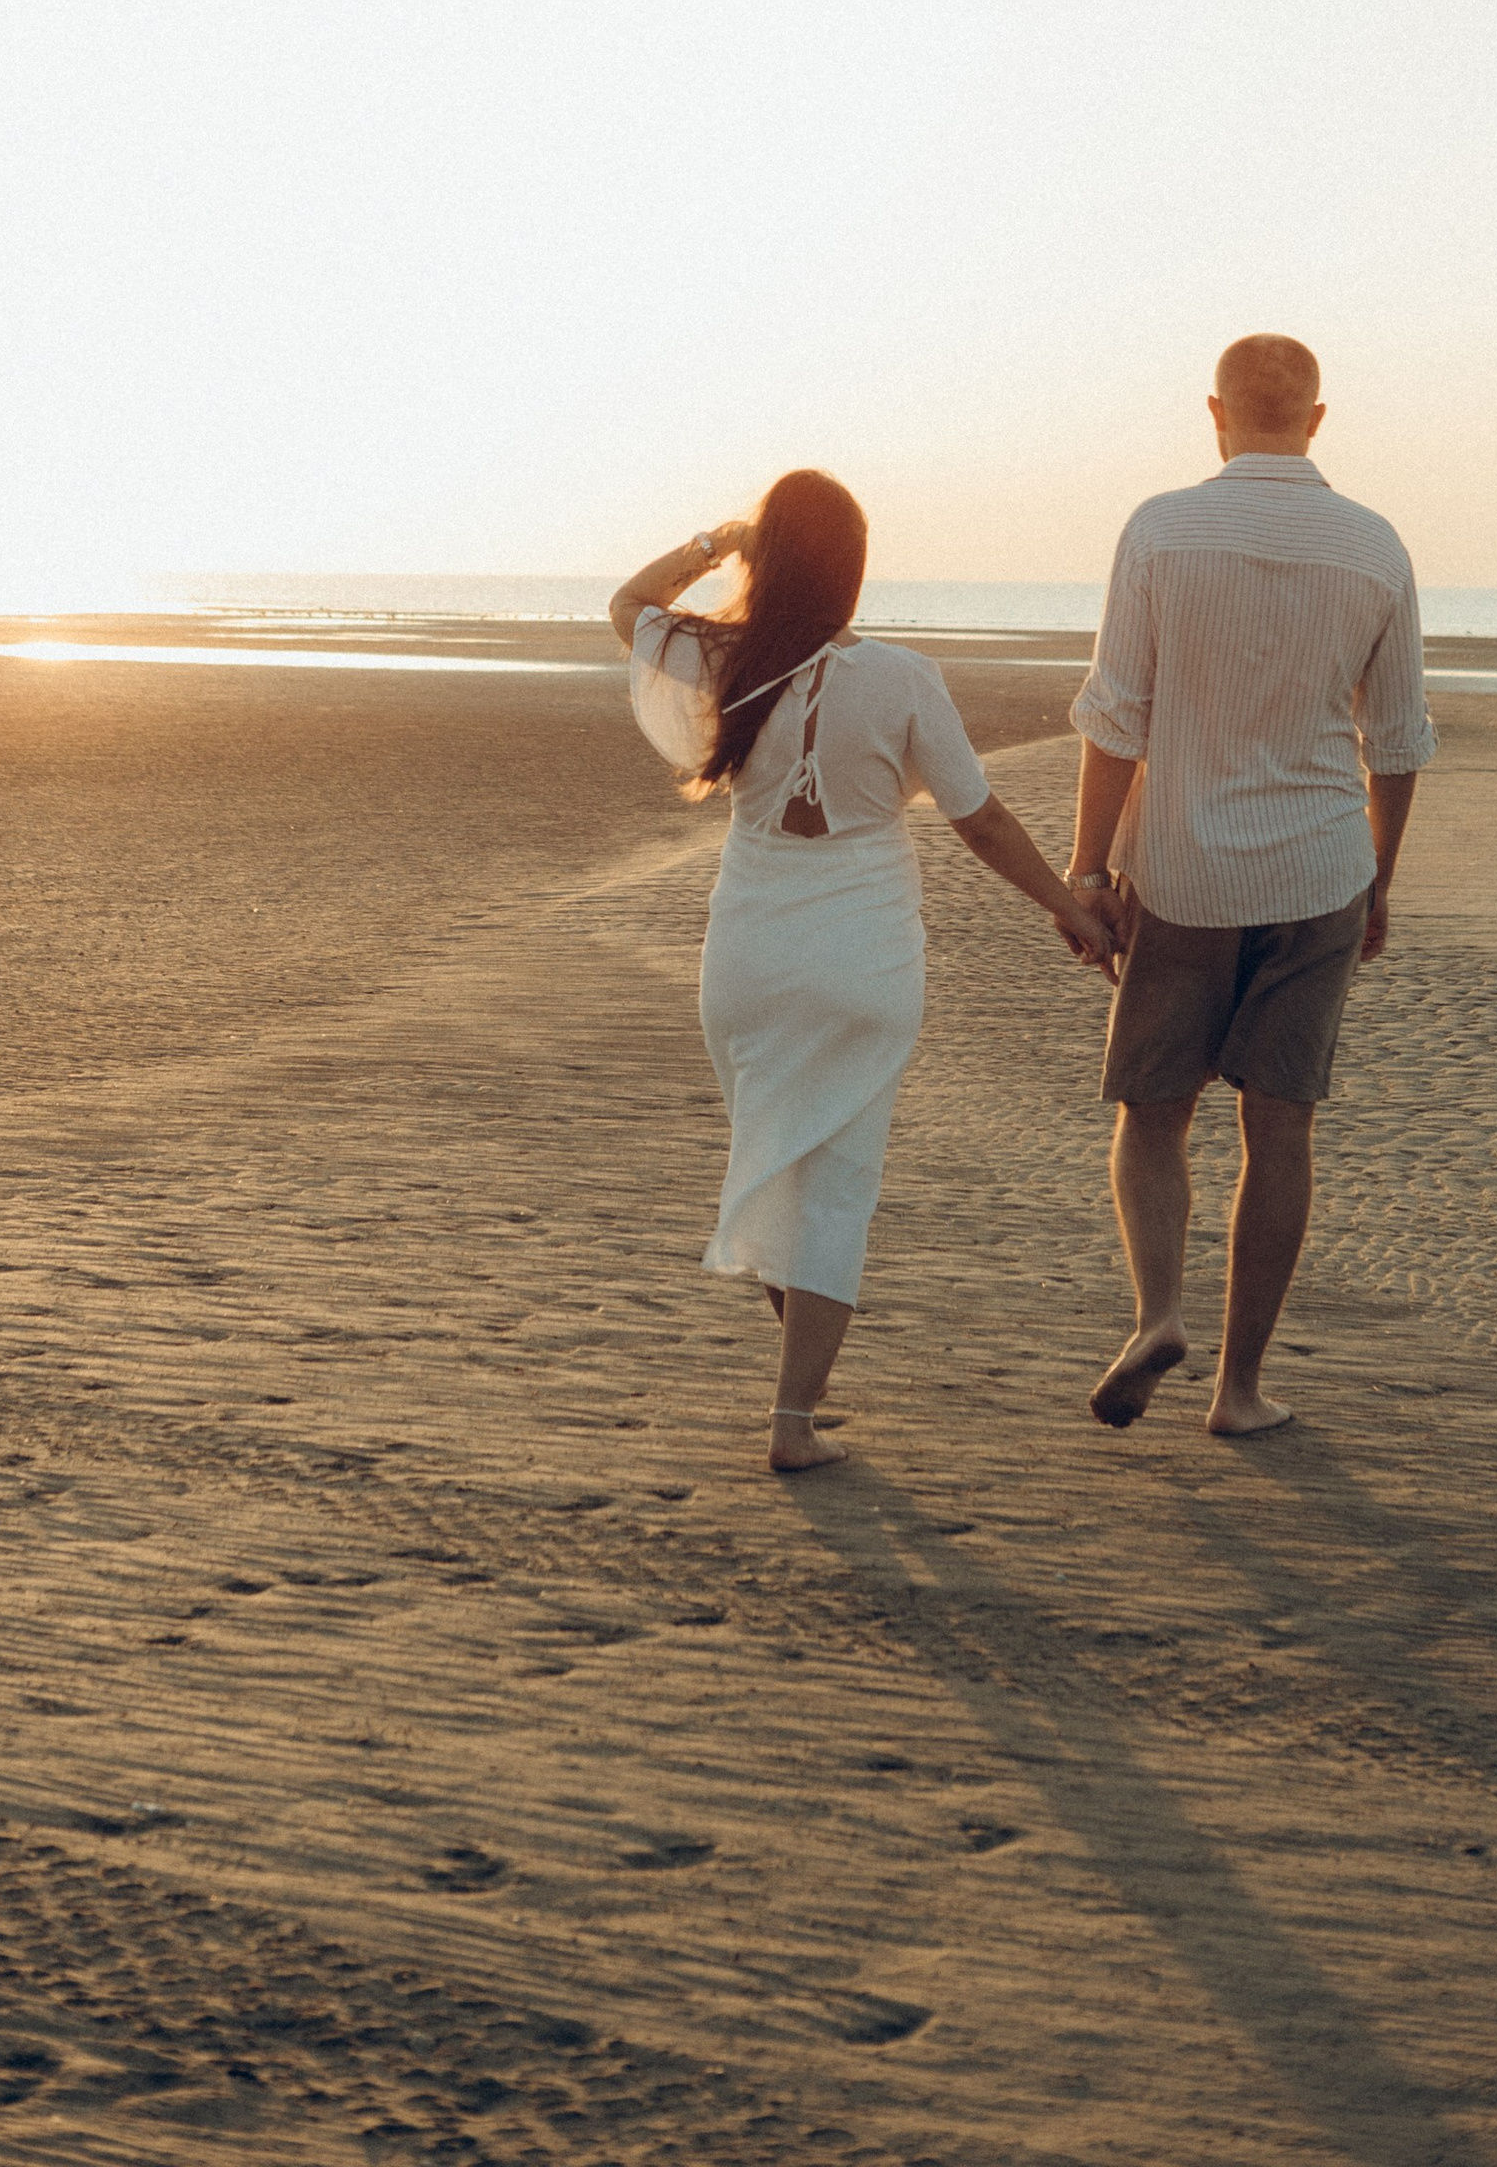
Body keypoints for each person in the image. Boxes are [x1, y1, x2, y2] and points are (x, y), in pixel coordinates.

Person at [613, 469, 1123, 1476]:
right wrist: (1070, 910)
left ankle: (801, 1384)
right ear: (851, 570)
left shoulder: (720, 655)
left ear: (769, 558)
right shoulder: (900, 677)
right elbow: (978, 820)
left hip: (749, 955)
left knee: (775, 1158)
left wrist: (719, 543)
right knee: (835, 1185)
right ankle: (793, 1420)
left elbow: (628, 606)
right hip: (862, 955)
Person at [1063, 336, 1435, 1439]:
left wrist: (1088, 868)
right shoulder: (1375, 546)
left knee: (1152, 1112)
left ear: (1214, 413)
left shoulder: (1161, 527)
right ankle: (1239, 1392)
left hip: (1180, 866)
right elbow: (1400, 738)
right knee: (1281, 1127)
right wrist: (1377, 882)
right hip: (1320, 863)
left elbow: (1114, 715)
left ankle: (1157, 1314)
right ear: (1317, 421)